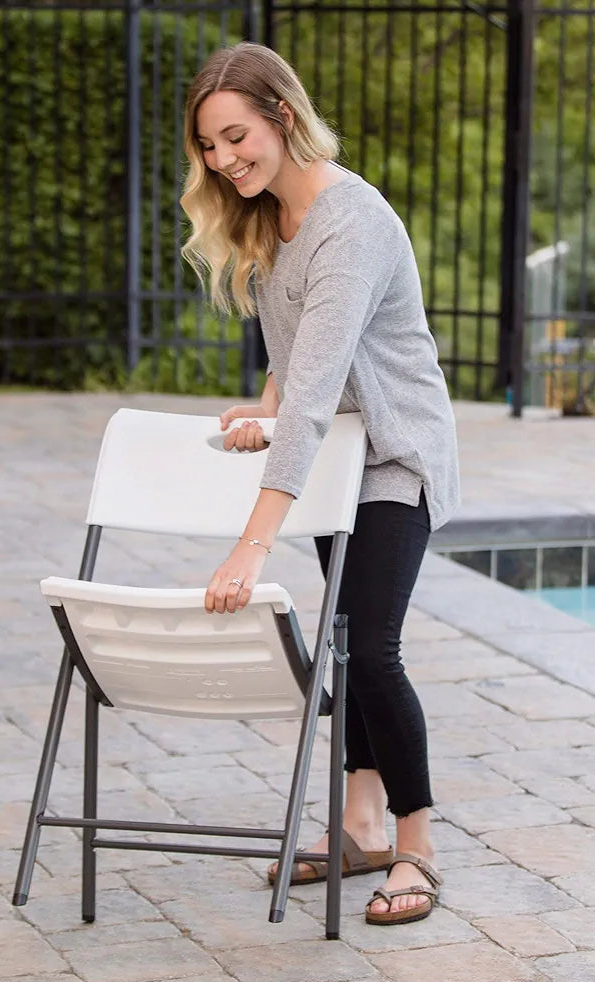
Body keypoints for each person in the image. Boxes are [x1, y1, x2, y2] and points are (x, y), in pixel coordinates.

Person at [180, 41, 460, 926]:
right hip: (335, 458)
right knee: (345, 643)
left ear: (282, 117)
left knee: (372, 645)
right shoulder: (273, 222)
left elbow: (312, 396)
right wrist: (264, 409)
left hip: (394, 455)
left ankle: (415, 846)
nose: (225, 162)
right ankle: (358, 827)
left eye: (236, 137)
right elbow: (292, 366)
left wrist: (250, 544)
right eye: (210, 149)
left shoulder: (353, 222)